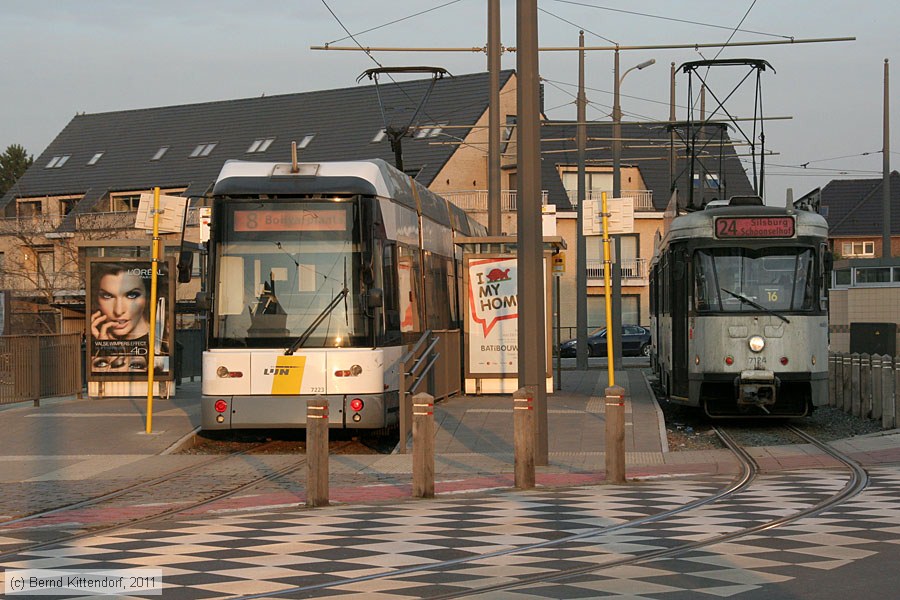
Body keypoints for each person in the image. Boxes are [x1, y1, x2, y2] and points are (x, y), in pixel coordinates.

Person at [91, 265, 151, 341]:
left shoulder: (162, 342)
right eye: (107, 296)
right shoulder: (99, 339)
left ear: (147, 297)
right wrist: (103, 345)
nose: (118, 311)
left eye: (132, 295)